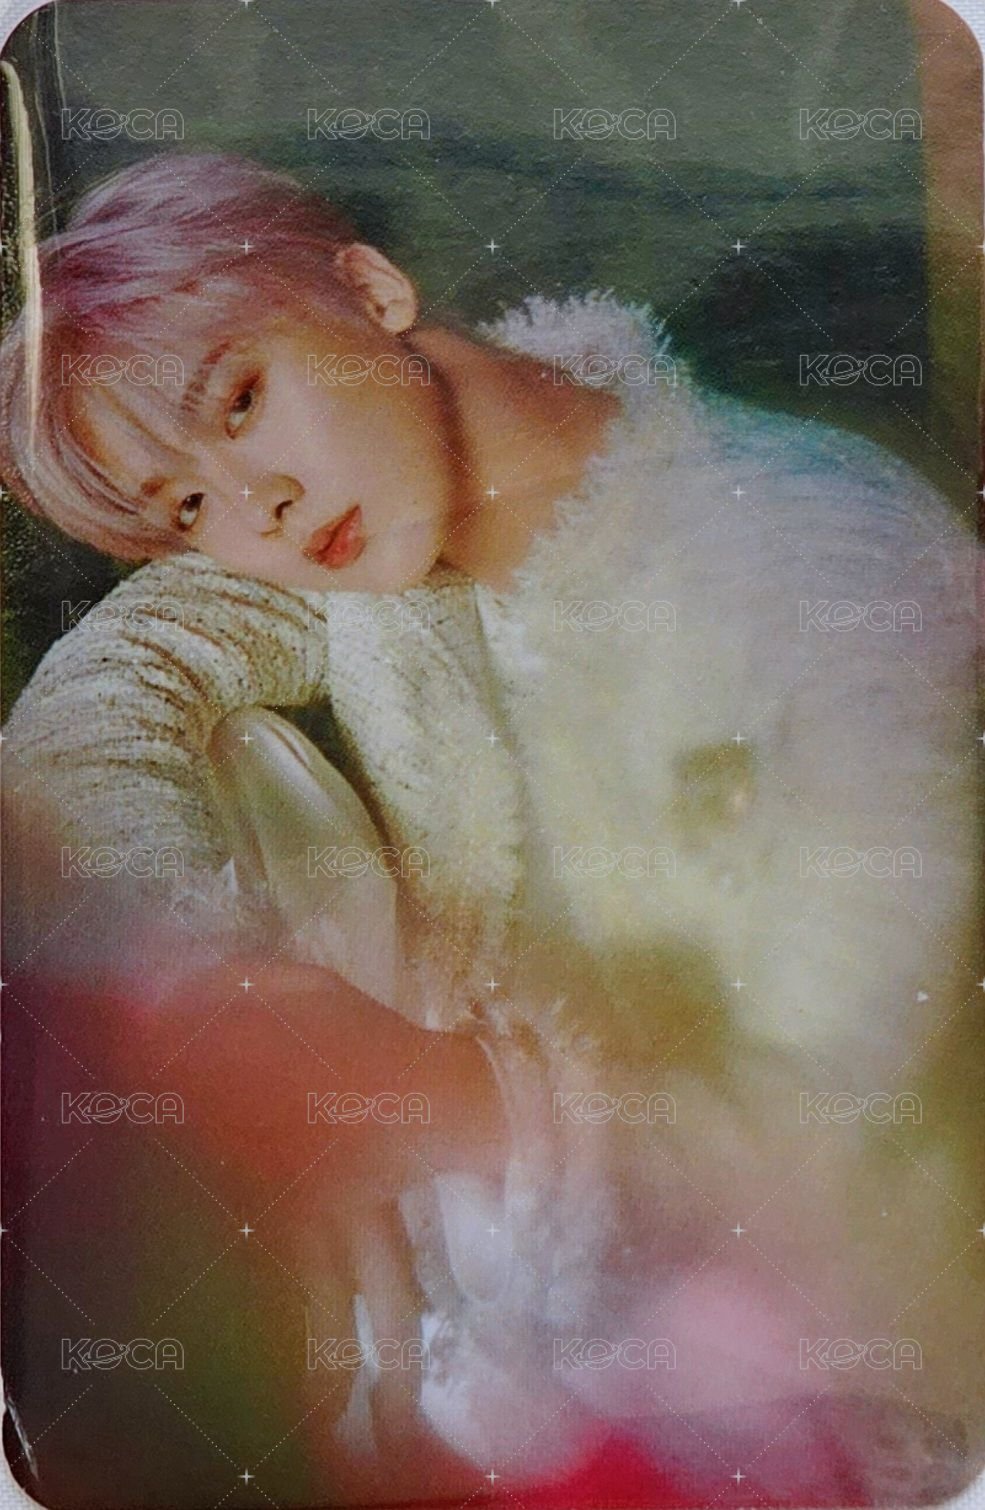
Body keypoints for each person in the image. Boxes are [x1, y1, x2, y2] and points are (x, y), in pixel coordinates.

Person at [2, 151, 980, 1501]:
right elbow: (97, 702)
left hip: (838, 1392)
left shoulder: (815, 561)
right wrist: (217, 986)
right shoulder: (362, 539)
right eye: (184, 507)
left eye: (240, 400)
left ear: (371, 291)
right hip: (507, 1352)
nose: (254, 507)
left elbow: (834, 1138)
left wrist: (442, 1100)